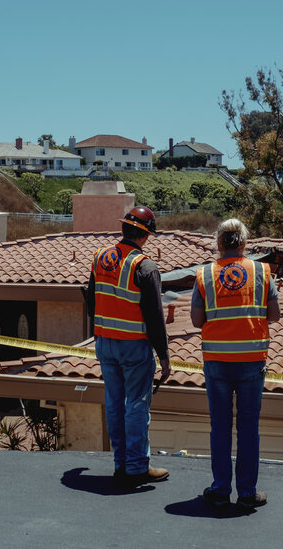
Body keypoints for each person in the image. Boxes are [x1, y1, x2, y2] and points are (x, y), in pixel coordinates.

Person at [191, 218, 280, 509]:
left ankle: (219, 489)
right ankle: (246, 492)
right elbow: (275, 314)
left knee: (220, 426)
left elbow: (196, 320)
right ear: (244, 242)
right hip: (251, 360)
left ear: (218, 242)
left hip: (217, 360)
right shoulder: (261, 271)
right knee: (248, 427)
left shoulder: (204, 274)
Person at [85, 206, 172, 488]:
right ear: (146, 235)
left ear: (124, 229)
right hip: (134, 346)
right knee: (136, 406)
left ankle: (121, 464)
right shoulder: (145, 267)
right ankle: (136, 467)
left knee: (114, 403)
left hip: (105, 343)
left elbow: (91, 302)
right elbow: (155, 319)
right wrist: (165, 358)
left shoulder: (100, 258)